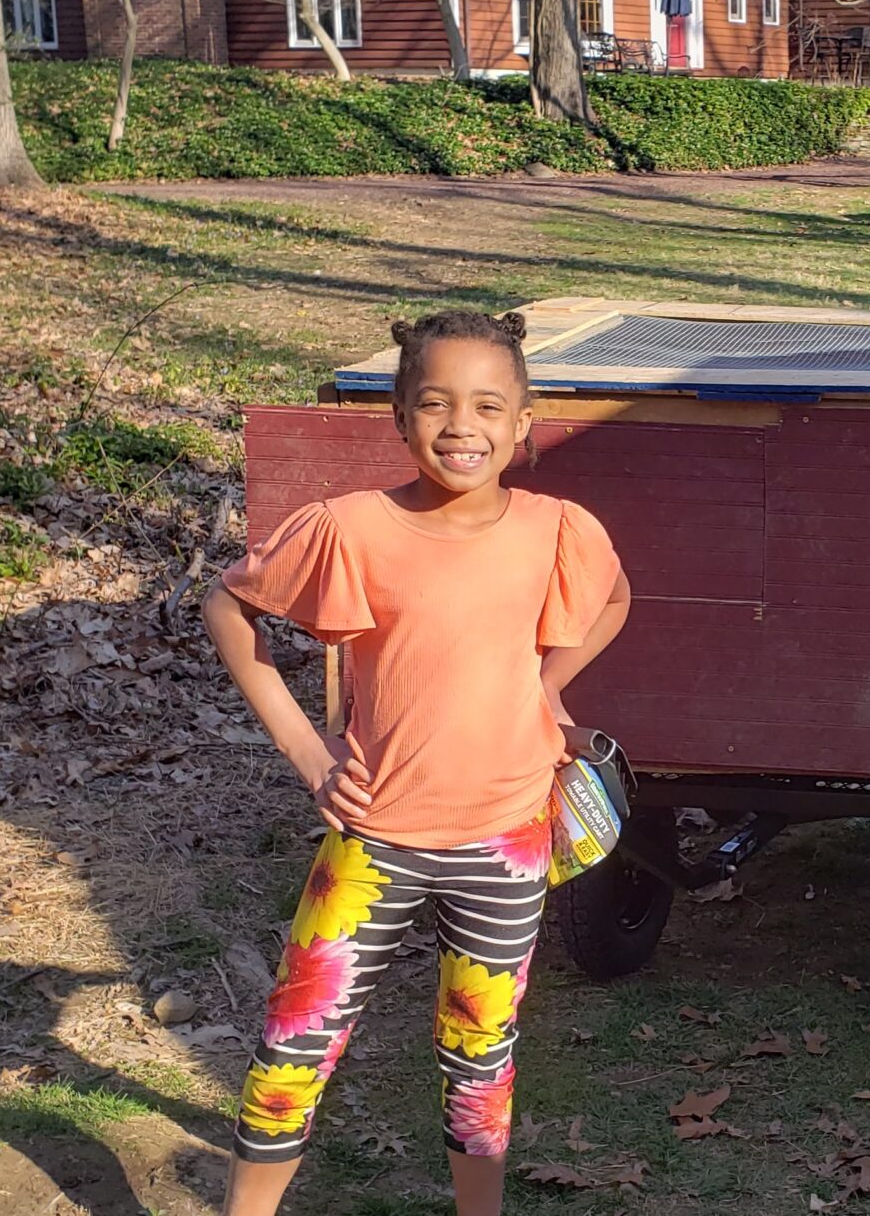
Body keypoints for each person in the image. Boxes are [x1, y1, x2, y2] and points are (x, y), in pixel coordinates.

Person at [202, 310, 632, 1216]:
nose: (460, 427)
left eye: (487, 406)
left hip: (508, 840)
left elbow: (613, 598)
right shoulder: (351, 528)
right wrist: (308, 753)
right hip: (375, 839)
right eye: (434, 404)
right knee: (293, 1045)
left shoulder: (559, 530)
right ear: (399, 416)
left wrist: (548, 689)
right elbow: (229, 611)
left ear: (525, 422)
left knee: (481, 1056)